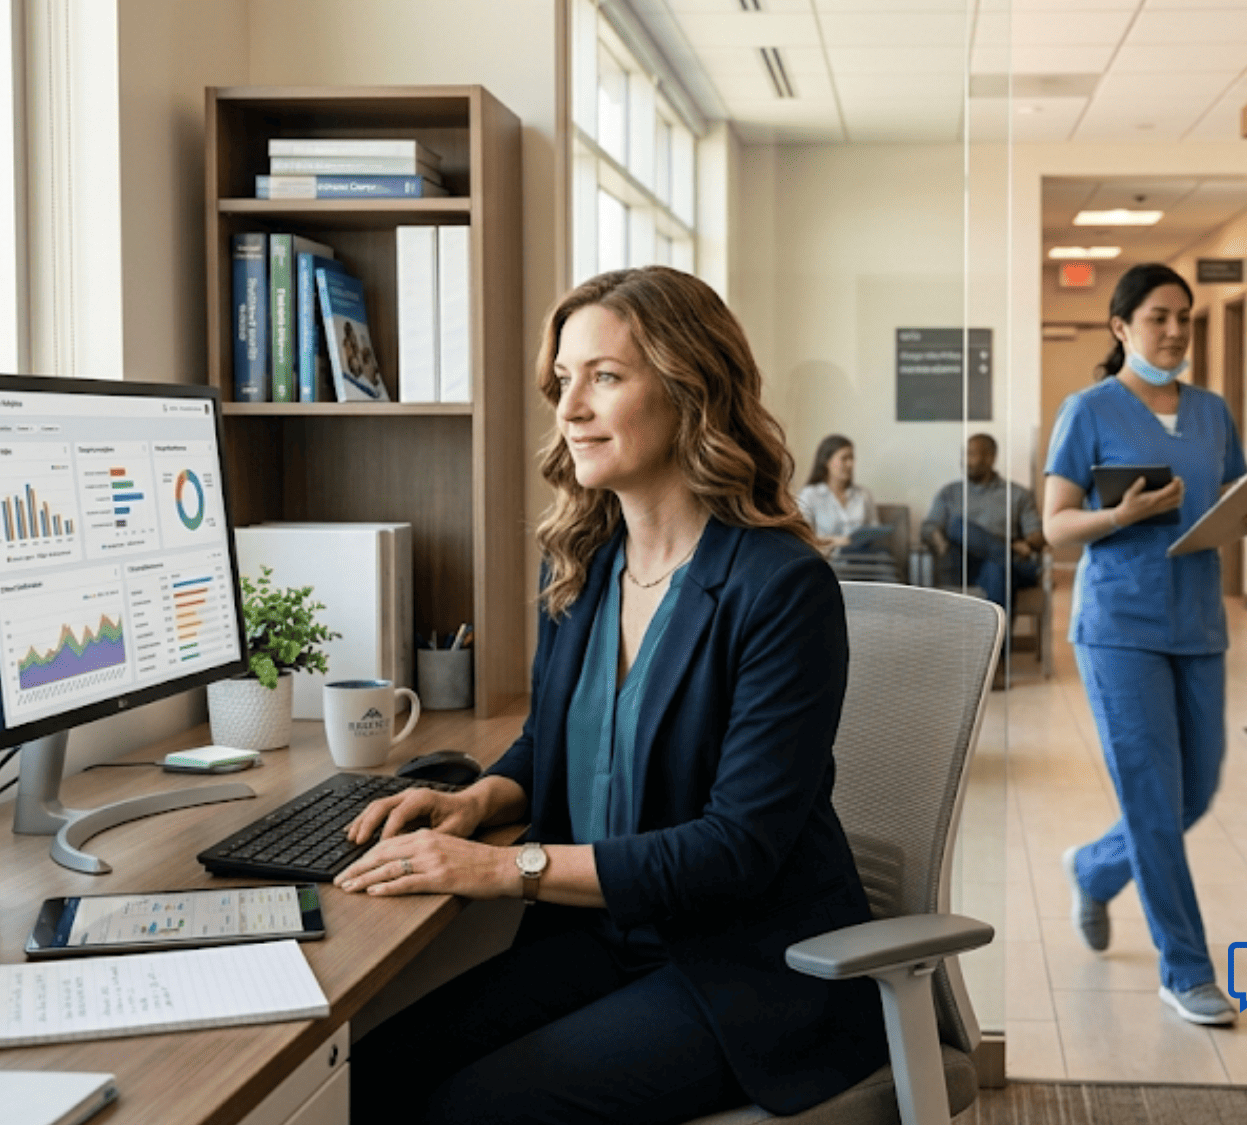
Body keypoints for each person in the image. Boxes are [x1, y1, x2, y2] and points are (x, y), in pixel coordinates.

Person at [338, 266, 886, 1125]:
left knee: (467, 1109)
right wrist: (474, 800)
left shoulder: (782, 588)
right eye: (563, 381)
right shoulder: (583, 568)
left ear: (689, 389)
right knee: (367, 1075)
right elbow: (555, 743)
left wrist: (503, 867)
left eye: (604, 376)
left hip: (740, 970)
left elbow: (735, 848)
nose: (569, 408)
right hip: (599, 936)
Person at [1042, 262, 1247, 1028]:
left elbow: (1235, 495)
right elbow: (1055, 525)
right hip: (1119, 627)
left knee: (1196, 789)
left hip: (1198, 623)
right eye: (1157, 317)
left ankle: (1094, 865)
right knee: (1151, 795)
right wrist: (1121, 515)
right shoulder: (1089, 410)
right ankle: (1187, 969)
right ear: (1121, 328)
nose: (1174, 330)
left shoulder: (1212, 412)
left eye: (1183, 315)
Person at [922, 432, 1046, 619]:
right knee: (957, 526)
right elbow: (929, 528)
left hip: (1001, 570)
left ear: (990, 458)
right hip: (962, 564)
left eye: (972, 454)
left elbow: (1037, 535)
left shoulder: (1017, 494)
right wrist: (941, 544)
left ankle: (997, 648)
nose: (965, 460)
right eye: (964, 454)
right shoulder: (950, 492)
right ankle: (1009, 556)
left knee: (996, 569)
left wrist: (1028, 544)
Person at [797, 434, 878, 548]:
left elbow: (874, 532)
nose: (850, 464)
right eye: (844, 458)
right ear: (827, 461)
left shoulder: (864, 495)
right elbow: (804, 537)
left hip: (861, 560)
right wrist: (837, 541)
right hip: (825, 560)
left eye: (852, 458)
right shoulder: (809, 495)